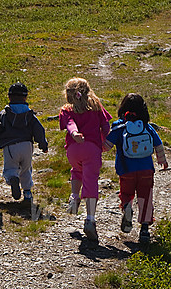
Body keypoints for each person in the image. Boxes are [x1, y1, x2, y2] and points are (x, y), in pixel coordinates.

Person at [104, 93, 168, 244]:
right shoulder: (146, 126)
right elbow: (158, 144)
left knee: (126, 193)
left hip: (126, 170)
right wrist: (162, 160)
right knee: (145, 197)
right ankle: (144, 229)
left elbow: (106, 146)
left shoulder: (119, 126)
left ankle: (127, 207)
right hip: (146, 169)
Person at [58, 77, 111, 241]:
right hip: (92, 149)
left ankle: (74, 197)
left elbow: (70, 124)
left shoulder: (66, 110)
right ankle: (90, 219)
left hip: (73, 150)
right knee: (90, 181)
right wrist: (105, 141)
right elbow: (106, 125)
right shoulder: (96, 106)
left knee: (77, 170)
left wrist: (74, 134)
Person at [0, 82, 48, 202]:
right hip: (27, 145)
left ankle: (13, 179)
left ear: (9, 97)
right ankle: (27, 193)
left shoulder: (4, 114)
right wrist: (43, 144)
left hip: (10, 146)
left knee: (11, 168)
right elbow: (39, 130)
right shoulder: (29, 115)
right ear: (25, 97)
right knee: (26, 169)